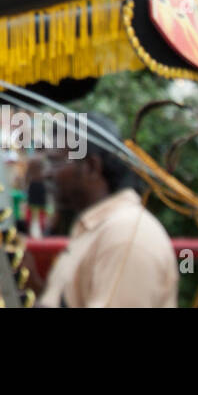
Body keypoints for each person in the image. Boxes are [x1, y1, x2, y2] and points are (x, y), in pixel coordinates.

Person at [38, 114, 178, 308]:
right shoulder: (98, 227)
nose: (46, 173)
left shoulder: (125, 234)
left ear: (91, 167)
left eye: (55, 162)